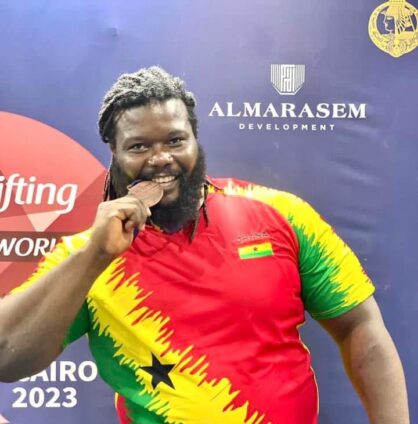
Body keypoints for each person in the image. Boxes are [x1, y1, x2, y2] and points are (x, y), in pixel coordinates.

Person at [0, 67, 409, 424]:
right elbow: (5, 356)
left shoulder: (282, 214)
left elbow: (361, 327)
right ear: (115, 154)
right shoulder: (90, 254)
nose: (160, 158)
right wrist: (94, 255)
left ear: (195, 141)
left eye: (175, 141)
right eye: (139, 146)